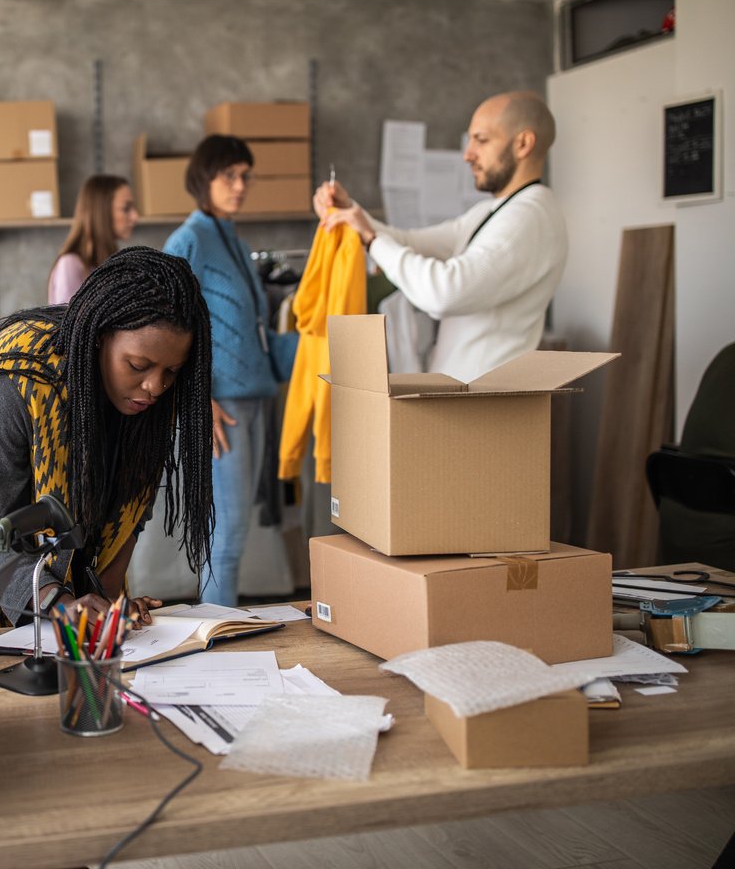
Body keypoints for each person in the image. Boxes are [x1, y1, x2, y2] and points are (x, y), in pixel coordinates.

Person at [0, 246, 215, 628]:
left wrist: (105, 608)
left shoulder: (148, 398)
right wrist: (59, 603)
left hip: (43, 580)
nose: (156, 385)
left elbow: (129, 515)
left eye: (172, 371)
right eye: (138, 365)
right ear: (98, 338)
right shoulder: (18, 382)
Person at [315, 90, 567, 382]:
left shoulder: (529, 217)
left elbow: (444, 293)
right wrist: (351, 212)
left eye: (481, 140)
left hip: (487, 406)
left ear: (523, 143)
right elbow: (410, 241)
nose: (468, 154)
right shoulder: (495, 210)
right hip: (466, 399)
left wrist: (372, 239)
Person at [163, 135, 298, 607]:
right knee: (230, 528)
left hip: (256, 398)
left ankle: (217, 629)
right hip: (223, 406)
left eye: (246, 175)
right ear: (204, 179)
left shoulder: (237, 243)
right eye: (229, 176)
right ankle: (213, 637)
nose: (240, 185)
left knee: (236, 526)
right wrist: (195, 398)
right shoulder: (188, 240)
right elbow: (164, 328)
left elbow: (255, 333)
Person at [46, 174, 140, 304]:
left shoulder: (110, 261)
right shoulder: (70, 264)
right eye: (126, 208)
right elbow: (69, 322)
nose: (135, 216)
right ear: (101, 212)